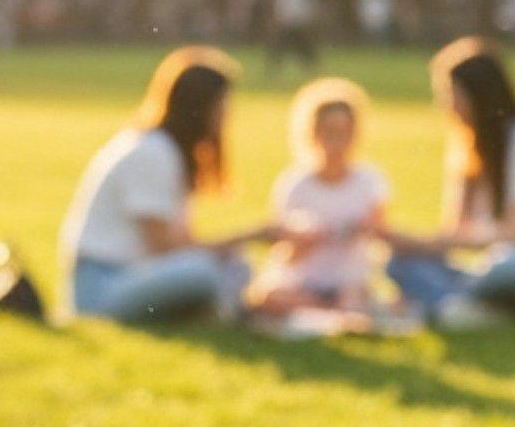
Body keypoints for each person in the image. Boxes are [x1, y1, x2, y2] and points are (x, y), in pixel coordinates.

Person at [61, 48, 267, 323]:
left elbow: (182, 242)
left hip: (130, 276)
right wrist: (251, 235)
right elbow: (164, 250)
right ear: (199, 108)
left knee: (235, 265)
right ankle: (223, 315)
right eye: (221, 106)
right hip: (102, 288)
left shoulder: (167, 152)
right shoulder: (153, 153)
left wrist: (243, 241)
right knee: (203, 271)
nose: (226, 116)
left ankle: (220, 314)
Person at [386, 38, 515, 325]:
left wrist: (429, 242)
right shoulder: (466, 152)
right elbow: (456, 233)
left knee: (508, 265)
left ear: (480, 95)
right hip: (485, 273)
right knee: (400, 264)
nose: (447, 105)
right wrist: (412, 244)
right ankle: (478, 310)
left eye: (454, 95)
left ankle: (453, 307)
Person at [247, 78, 390, 319]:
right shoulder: (295, 183)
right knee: (267, 296)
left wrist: (364, 228)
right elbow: (284, 253)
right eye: (330, 134)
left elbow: (381, 237)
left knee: (354, 295)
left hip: (348, 279)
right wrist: (302, 239)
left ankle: (334, 312)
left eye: (344, 134)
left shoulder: (369, 181)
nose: (337, 143)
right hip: (303, 280)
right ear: (312, 134)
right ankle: (330, 312)